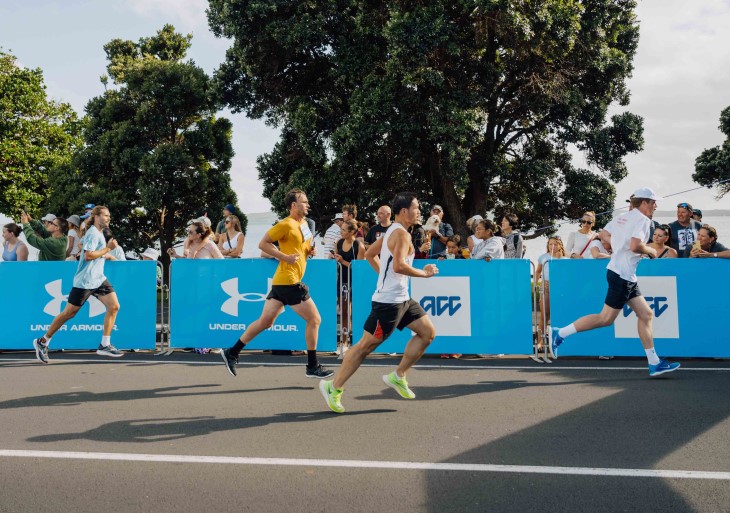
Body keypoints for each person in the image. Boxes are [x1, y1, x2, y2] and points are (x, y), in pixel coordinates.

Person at [319, 192, 439, 413]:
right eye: (416, 208)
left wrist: (384, 277)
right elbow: (399, 266)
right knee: (365, 346)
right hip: (388, 304)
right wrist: (424, 274)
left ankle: (398, 375)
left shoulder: (393, 230)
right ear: (404, 211)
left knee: (427, 333)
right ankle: (333, 387)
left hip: (402, 298)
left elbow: (370, 254)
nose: (419, 211)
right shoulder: (400, 234)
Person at [548, 188, 680, 377]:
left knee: (646, 314)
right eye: (652, 202)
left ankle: (654, 363)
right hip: (622, 275)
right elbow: (635, 246)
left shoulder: (621, 217)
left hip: (623, 274)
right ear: (644, 203)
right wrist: (650, 251)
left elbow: (603, 234)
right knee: (605, 319)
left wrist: (619, 244)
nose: (655, 206)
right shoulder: (643, 220)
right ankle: (559, 333)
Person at [220, 189, 333, 378]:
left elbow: (301, 248)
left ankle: (232, 352)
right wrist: (283, 257)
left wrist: (307, 252)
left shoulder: (304, 224)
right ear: (294, 205)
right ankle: (312, 366)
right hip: (289, 281)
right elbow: (263, 244)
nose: (308, 205)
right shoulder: (285, 224)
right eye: (304, 202)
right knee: (315, 319)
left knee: (265, 322)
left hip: (282, 282)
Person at [31, 206, 124, 363]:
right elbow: (88, 255)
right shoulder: (93, 233)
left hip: (98, 278)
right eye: (106, 215)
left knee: (114, 306)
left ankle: (104, 344)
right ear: (96, 217)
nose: (108, 218)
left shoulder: (98, 233)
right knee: (69, 313)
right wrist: (108, 249)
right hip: (85, 281)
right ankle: (43, 341)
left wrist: (105, 254)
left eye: (109, 215)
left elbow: (85, 249)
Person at [332, 219, 365, 355]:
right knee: (343, 310)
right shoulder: (339, 242)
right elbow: (335, 258)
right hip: (341, 281)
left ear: (352, 232)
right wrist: (334, 258)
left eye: (344, 230)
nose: (341, 232)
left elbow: (358, 269)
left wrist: (342, 261)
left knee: (354, 312)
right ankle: (343, 341)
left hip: (355, 282)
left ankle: (355, 341)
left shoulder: (359, 246)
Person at [535, 236, 565, 359]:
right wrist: (535, 285)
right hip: (546, 285)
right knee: (544, 315)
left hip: (561, 287)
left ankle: (558, 340)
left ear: (560, 245)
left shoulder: (565, 259)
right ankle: (540, 341)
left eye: (555, 244)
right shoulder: (543, 257)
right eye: (550, 244)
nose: (552, 246)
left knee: (560, 314)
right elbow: (537, 271)